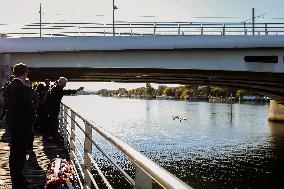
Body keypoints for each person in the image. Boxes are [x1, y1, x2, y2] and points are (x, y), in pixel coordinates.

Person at [7, 63, 34, 188]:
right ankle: (18, 184)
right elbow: (29, 109)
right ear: (24, 73)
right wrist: (34, 119)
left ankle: (17, 180)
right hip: (22, 127)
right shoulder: (23, 88)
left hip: (13, 125)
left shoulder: (10, 86)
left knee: (14, 154)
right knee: (20, 156)